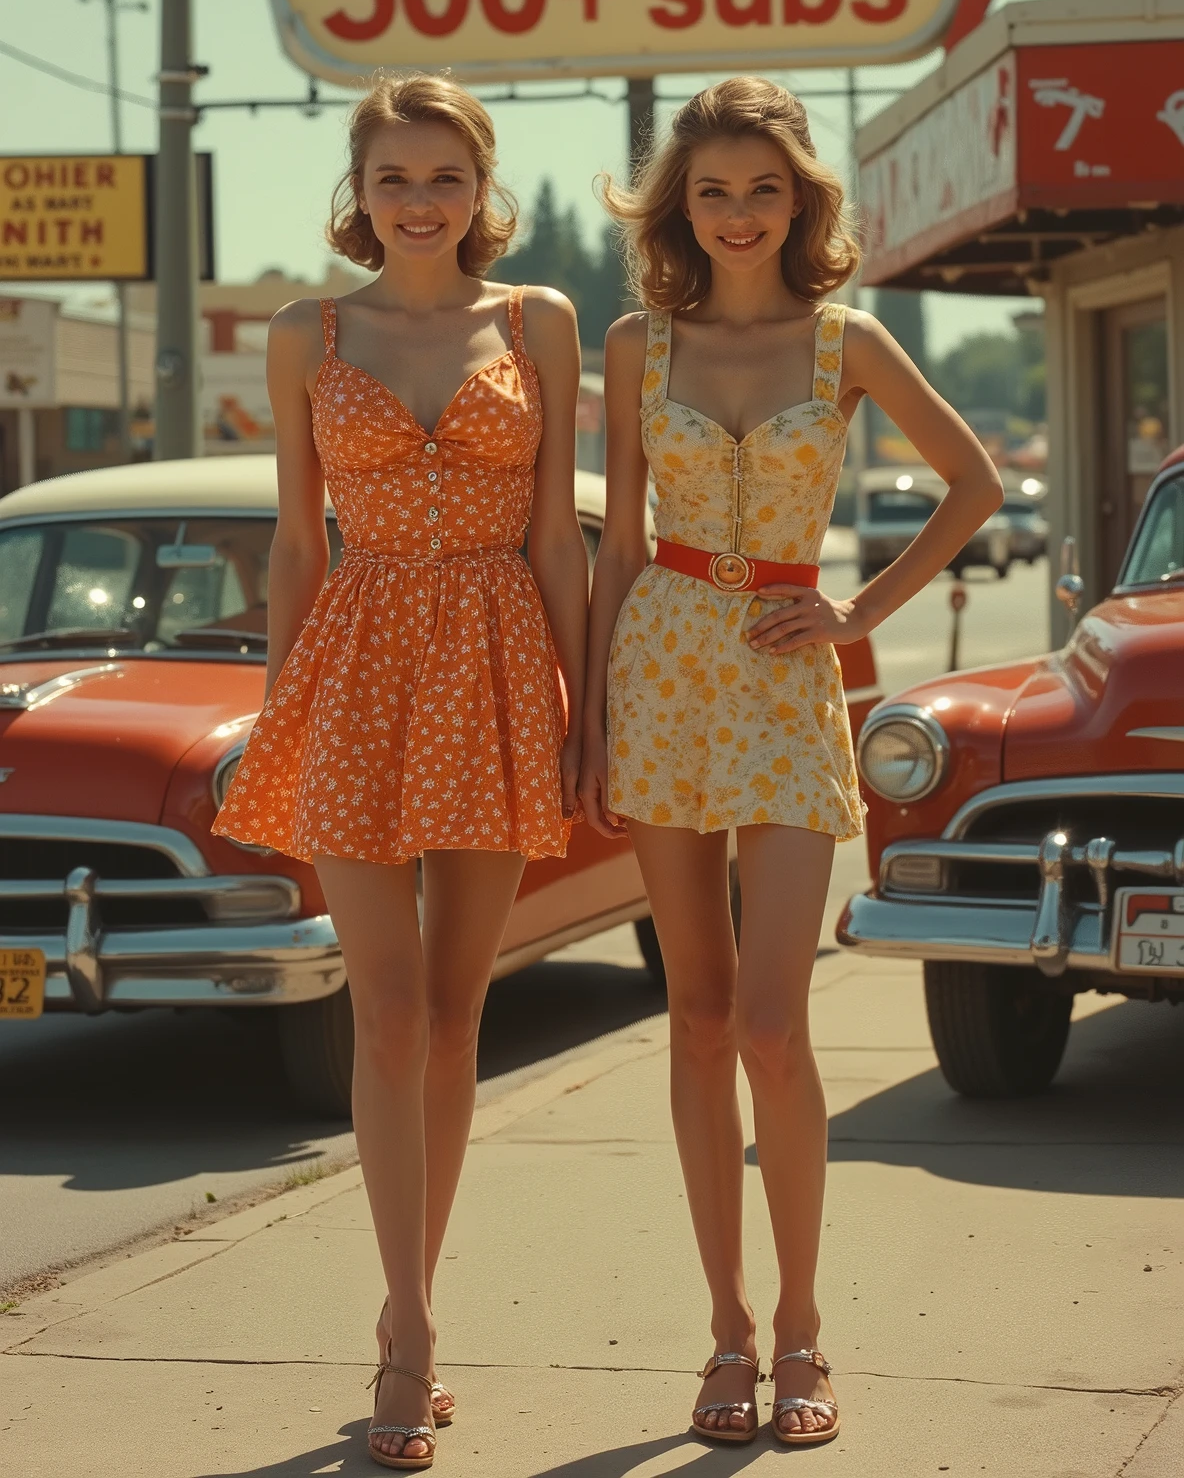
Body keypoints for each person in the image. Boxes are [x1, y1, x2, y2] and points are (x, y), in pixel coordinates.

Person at [578, 78, 1002, 1449]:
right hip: (659, 673)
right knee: (693, 1020)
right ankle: (725, 1334)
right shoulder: (638, 345)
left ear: (801, 199)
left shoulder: (847, 341)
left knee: (771, 1021)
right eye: (713, 191)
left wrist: (863, 611)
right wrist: (591, 711)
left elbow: (974, 484)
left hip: (784, 676)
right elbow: (622, 547)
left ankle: (807, 1325)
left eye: (764, 189)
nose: (740, 213)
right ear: (677, 208)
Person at [214, 73, 587, 1470]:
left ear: (481, 189)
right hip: (357, 671)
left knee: (451, 1010)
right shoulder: (307, 333)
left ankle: (404, 1305)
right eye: (393, 178)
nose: (418, 200)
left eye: (444, 176)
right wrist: (275, 712)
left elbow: (559, 541)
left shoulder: (538, 324)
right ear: (357, 194)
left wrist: (578, 702)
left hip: (495, 658)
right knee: (381, 1012)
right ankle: (410, 1335)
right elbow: (297, 545)